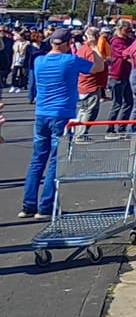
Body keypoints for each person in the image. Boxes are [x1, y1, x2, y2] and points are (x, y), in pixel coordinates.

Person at [21, 30, 93, 220]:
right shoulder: (70, 60)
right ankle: (46, 206)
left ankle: (28, 205)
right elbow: (97, 67)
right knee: (56, 159)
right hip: (62, 114)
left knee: (37, 159)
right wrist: (92, 46)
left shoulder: (39, 61)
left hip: (41, 113)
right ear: (69, 43)